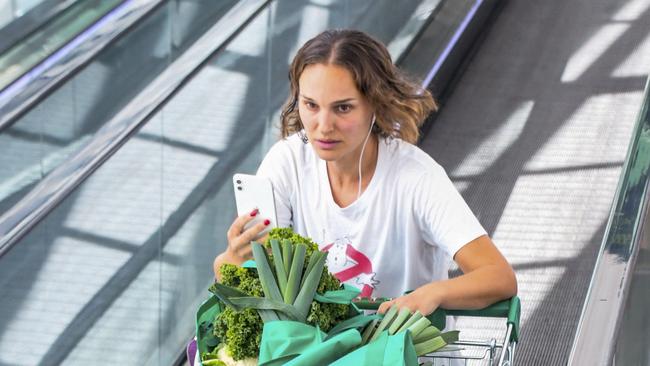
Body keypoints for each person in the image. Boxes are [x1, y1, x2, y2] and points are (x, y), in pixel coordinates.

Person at [213, 29, 517, 316]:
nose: (323, 125)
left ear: (376, 104)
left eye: (343, 108)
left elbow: (498, 277)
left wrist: (433, 293)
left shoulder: (416, 177)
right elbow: (244, 276)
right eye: (311, 105)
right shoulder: (287, 162)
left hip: (403, 349)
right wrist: (232, 259)